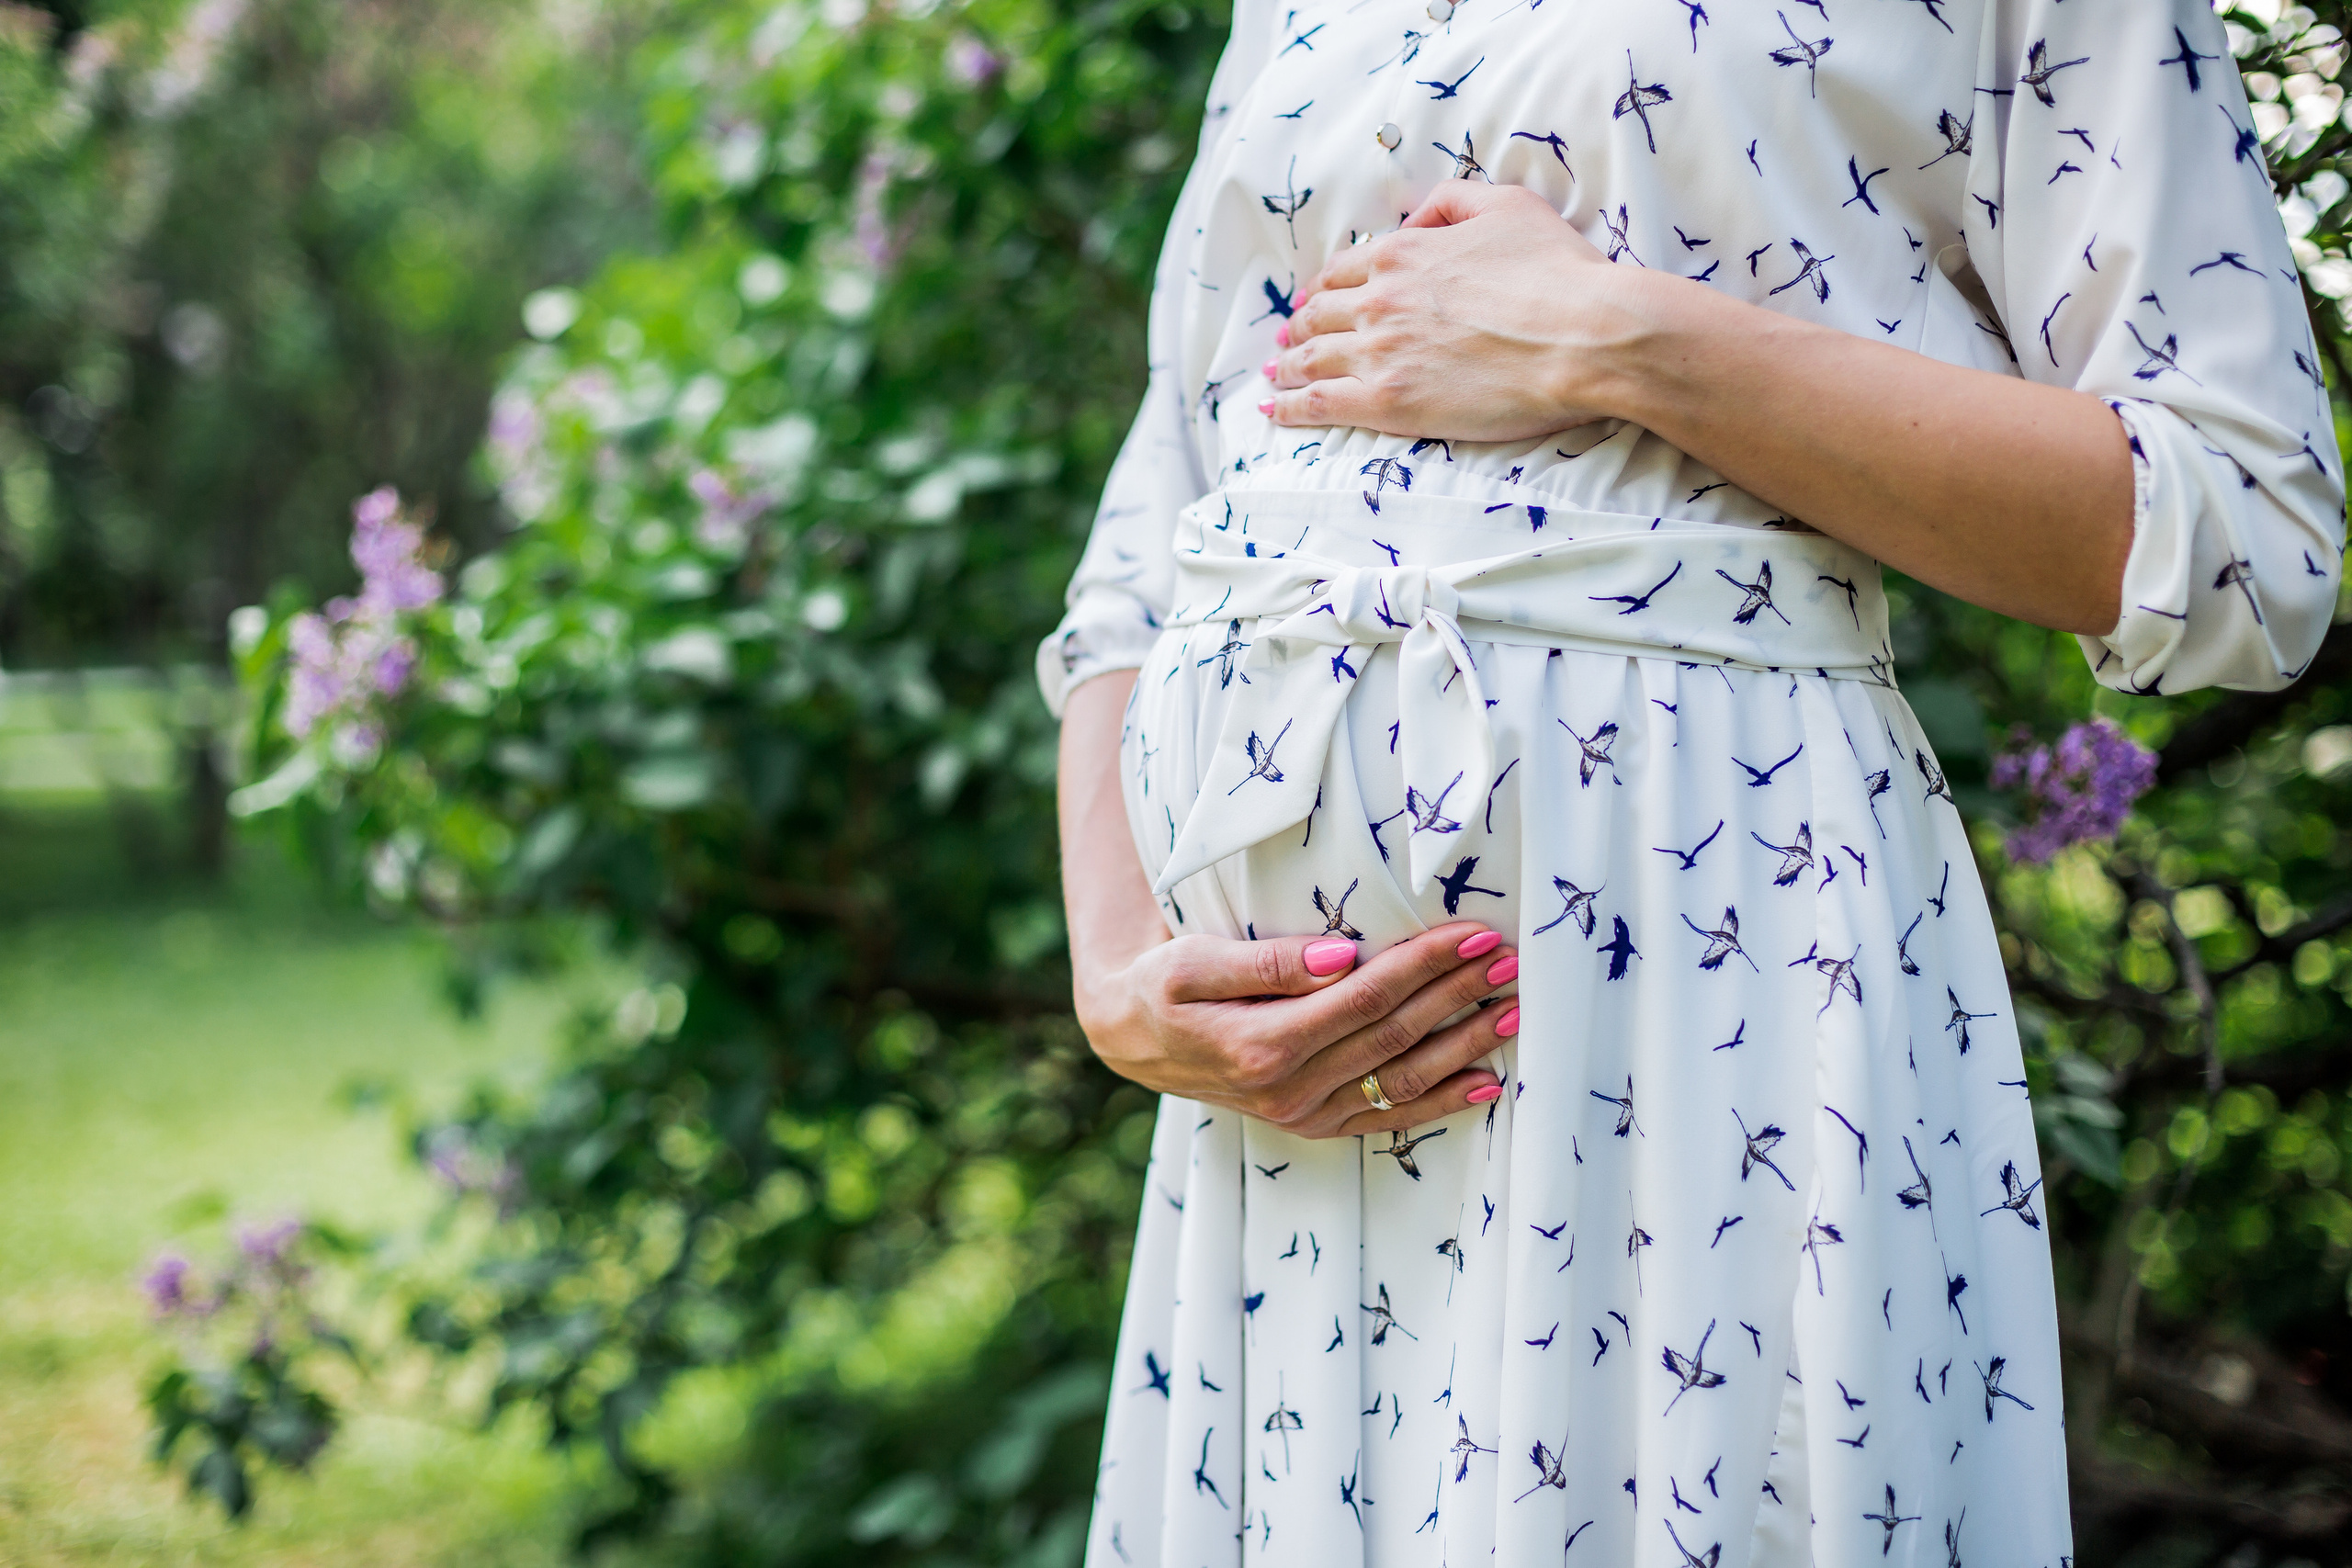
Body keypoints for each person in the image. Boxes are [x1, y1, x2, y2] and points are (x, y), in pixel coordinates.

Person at [1042, 1, 2345, 1562]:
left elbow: (2244, 542)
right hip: (1281, 1132)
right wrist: (1119, 972)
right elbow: (1154, 538)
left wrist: (1618, 337)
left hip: (1700, 994)